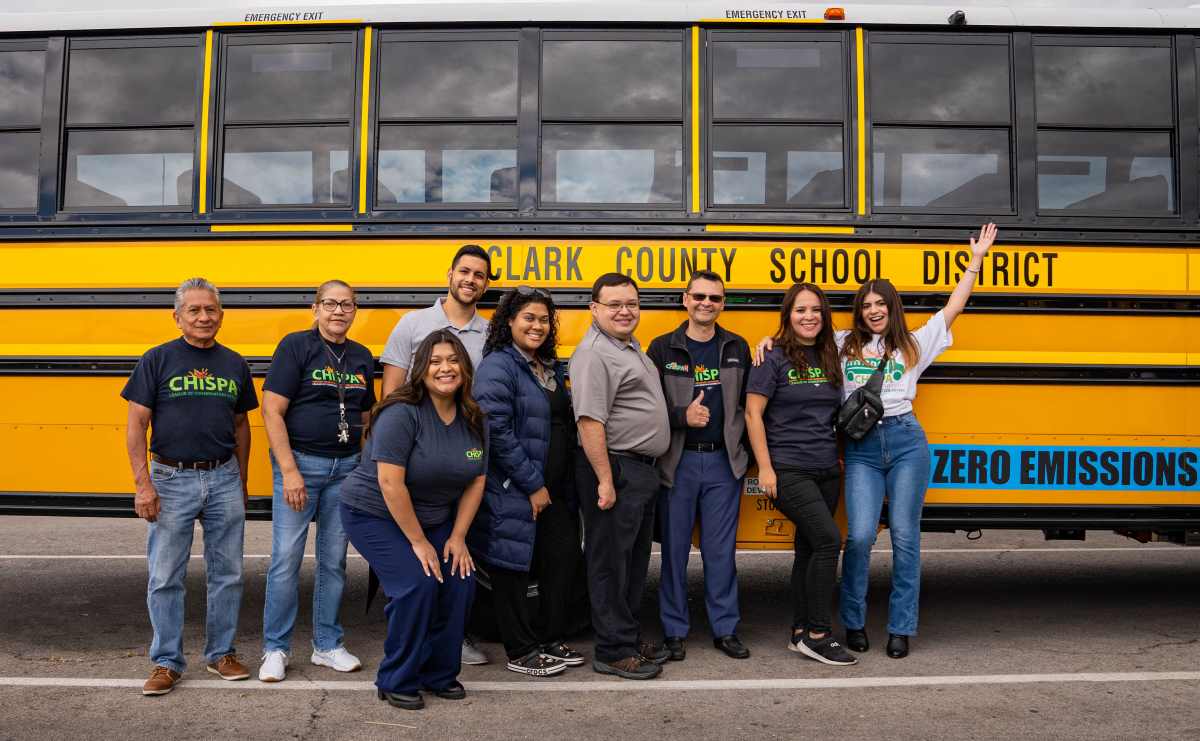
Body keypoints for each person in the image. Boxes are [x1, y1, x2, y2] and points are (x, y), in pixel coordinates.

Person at [837, 223, 998, 659]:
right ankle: (852, 621)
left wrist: (976, 262)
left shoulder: (913, 343)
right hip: (862, 450)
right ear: (859, 311)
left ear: (892, 307)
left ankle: (900, 627)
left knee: (906, 537)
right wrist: (763, 340)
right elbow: (796, 339)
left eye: (880, 304)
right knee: (859, 536)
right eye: (866, 305)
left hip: (907, 442)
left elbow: (953, 308)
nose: (873, 311)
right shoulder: (841, 345)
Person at [122, 277, 258, 696]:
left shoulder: (234, 363)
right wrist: (143, 485)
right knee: (165, 576)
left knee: (229, 573)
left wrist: (242, 478)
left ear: (221, 315)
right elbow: (136, 424)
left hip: (222, 477)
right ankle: (166, 661)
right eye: (194, 311)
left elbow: (241, 425)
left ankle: (222, 654)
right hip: (170, 478)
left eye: (210, 310)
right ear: (178, 317)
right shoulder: (157, 359)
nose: (204, 317)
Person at [339, 331, 487, 710]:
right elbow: (390, 484)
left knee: (460, 582)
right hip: (375, 513)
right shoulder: (400, 413)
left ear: (465, 369)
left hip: (435, 518)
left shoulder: (474, 417)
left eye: (453, 360)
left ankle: (439, 675)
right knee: (417, 583)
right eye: (435, 361)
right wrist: (419, 543)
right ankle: (396, 678)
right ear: (421, 369)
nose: (445, 368)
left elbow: (476, 479)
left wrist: (457, 537)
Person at [258, 280, 376, 682]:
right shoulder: (296, 346)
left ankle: (327, 645)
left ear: (355, 311)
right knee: (286, 561)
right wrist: (289, 471)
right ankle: (275, 649)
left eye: (346, 304)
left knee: (334, 562)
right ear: (315, 308)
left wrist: (362, 464)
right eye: (330, 303)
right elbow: (271, 410)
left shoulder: (361, 356)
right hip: (301, 467)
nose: (338, 311)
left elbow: (366, 414)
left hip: (346, 469)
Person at [380, 243, 491, 665]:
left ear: (484, 284)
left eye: (479, 275)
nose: (470, 280)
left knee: (459, 550)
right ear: (449, 274)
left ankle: (453, 638)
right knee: (414, 557)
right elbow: (391, 392)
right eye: (464, 271)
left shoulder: (489, 333)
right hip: (412, 456)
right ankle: (412, 634)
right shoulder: (413, 324)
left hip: (458, 458)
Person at [469, 286, 585, 676]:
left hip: (556, 489)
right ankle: (521, 651)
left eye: (544, 319)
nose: (537, 325)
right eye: (528, 318)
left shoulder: (547, 365)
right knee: (512, 568)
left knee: (560, 560)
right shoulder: (498, 366)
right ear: (509, 322)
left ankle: (551, 639)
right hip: (516, 487)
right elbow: (496, 430)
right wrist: (532, 484)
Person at [745, 283, 856, 667]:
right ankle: (819, 634)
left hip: (826, 467)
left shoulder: (830, 354)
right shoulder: (771, 356)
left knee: (808, 548)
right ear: (787, 315)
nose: (809, 316)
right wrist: (766, 468)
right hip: (788, 469)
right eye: (800, 310)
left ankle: (799, 632)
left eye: (816, 310)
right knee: (828, 541)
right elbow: (752, 414)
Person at [570, 273, 671, 680]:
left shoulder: (629, 347)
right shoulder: (594, 353)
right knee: (610, 563)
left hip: (638, 469)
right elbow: (590, 421)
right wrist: (605, 480)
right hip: (615, 468)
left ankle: (625, 637)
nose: (624, 310)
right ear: (594, 309)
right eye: (614, 304)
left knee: (631, 562)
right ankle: (612, 650)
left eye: (631, 303)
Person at [646, 270, 752, 662]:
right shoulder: (661, 348)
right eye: (700, 296)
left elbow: (752, 406)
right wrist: (680, 416)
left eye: (715, 298)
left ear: (723, 304)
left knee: (720, 552)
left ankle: (725, 629)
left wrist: (745, 455)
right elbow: (647, 407)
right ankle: (674, 631)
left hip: (724, 464)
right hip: (677, 462)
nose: (707, 303)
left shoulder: (737, 348)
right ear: (685, 299)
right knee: (673, 552)